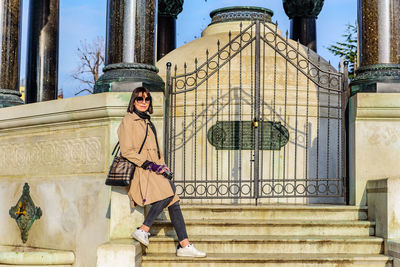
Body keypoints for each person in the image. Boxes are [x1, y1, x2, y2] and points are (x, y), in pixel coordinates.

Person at [117, 86, 206, 258]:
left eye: (146, 99)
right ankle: (144, 229)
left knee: (174, 201)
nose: (143, 102)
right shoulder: (128, 121)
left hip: (154, 170)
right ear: (133, 101)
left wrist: (162, 166)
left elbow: (156, 150)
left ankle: (184, 245)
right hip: (141, 170)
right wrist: (150, 165)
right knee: (169, 192)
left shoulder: (147, 122)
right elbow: (127, 151)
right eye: (139, 99)